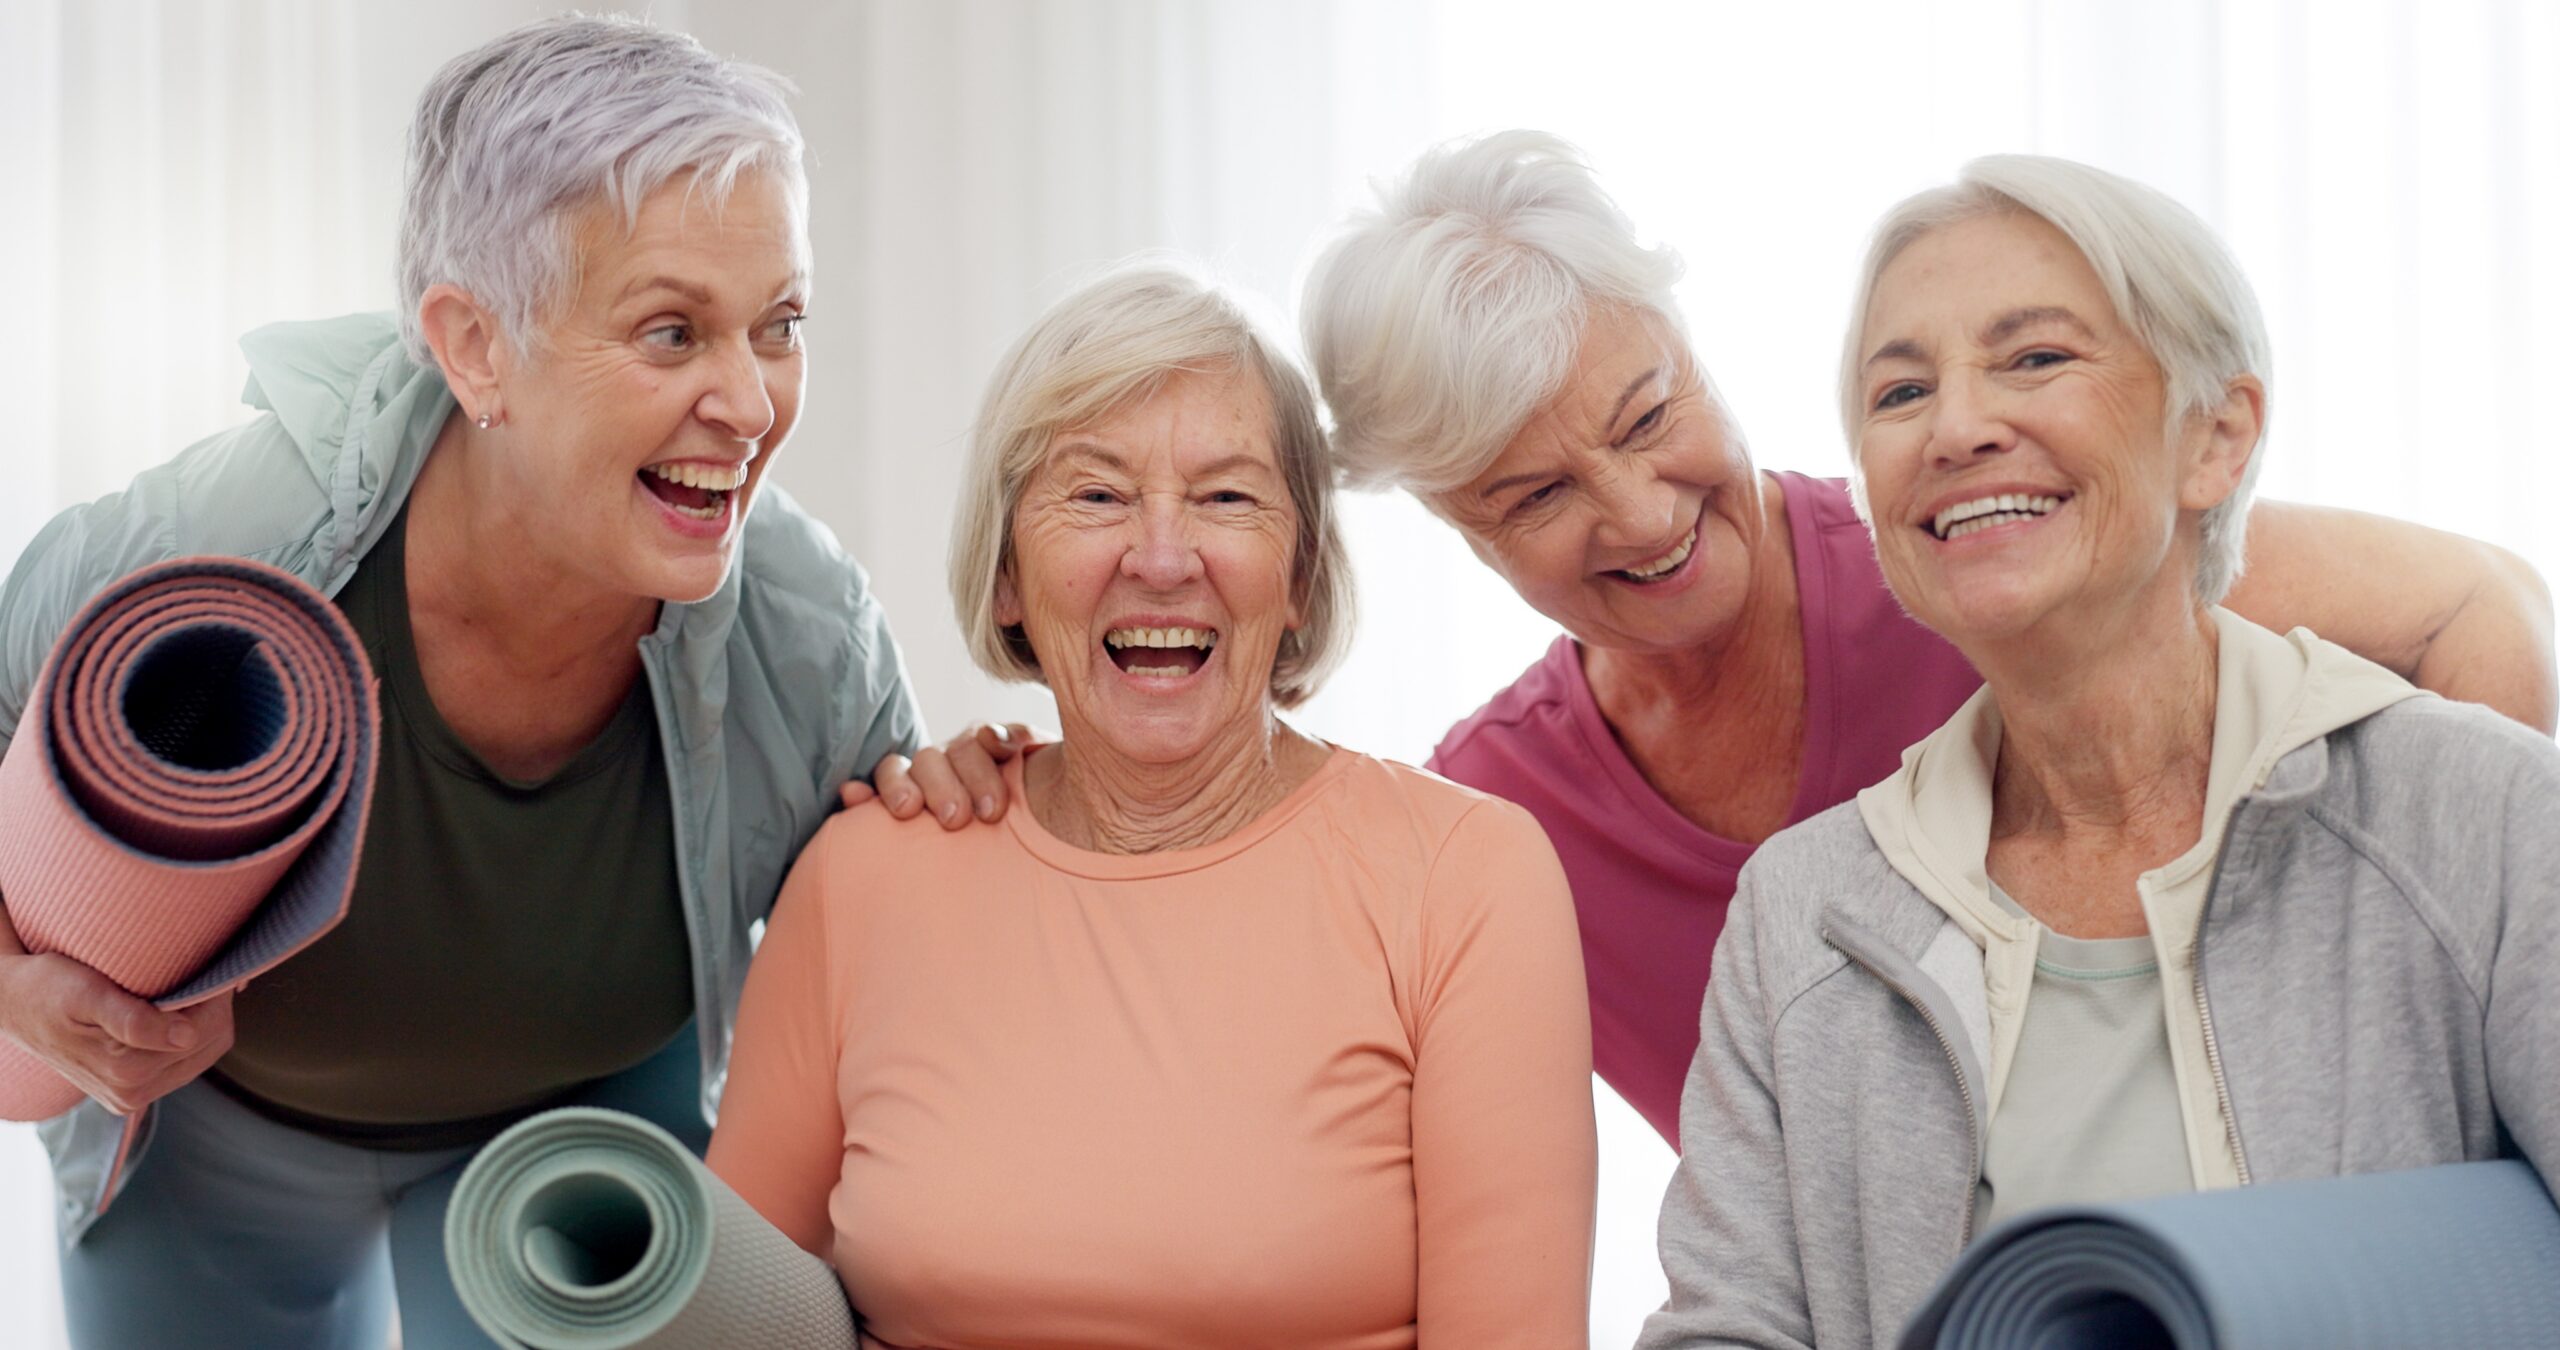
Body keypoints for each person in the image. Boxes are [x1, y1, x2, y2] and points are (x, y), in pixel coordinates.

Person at [0, 17, 921, 1348]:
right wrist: (17, 994)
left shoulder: (808, 626)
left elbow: (905, 982)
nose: (749, 400)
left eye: (779, 325)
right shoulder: (211, 544)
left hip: (589, 1133)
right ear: (475, 346)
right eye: (671, 332)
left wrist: (959, 818)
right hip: (220, 1138)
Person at [1637, 154, 2560, 1348]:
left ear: (2215, 439)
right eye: (1900, 391)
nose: (1958, 426)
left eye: (2035, 358)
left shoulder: (2480, 815)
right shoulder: (1798, 914)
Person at [708, 263, 1598, 1349]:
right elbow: (723, 1313)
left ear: (1303, 574)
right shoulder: (863, 877)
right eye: (1095, 496)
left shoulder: (1464, 878)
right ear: (1005, 574)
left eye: (1227, 497)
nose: (1165, 557)